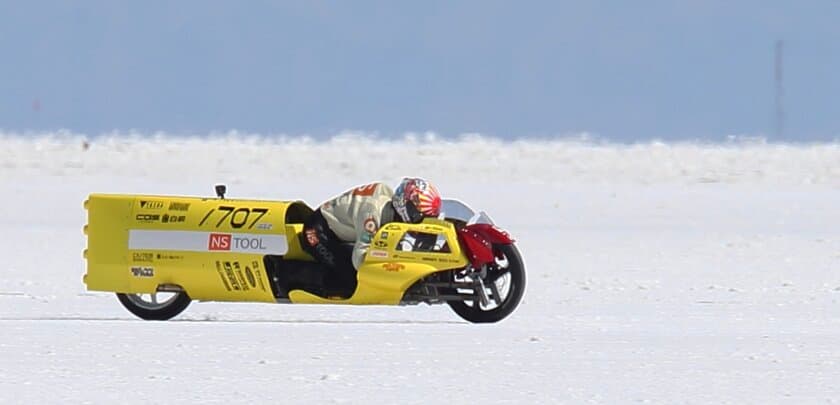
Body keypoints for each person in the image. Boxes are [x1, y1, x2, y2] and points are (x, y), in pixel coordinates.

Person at [277, 178, 442, 298]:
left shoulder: (388, 209)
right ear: (406, 206)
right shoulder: (372, 214)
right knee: (350, 282)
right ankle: (285, 275)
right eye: (420, 216)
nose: (421, 222)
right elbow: (360, 259)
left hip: (336, 231)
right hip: (317, 232)